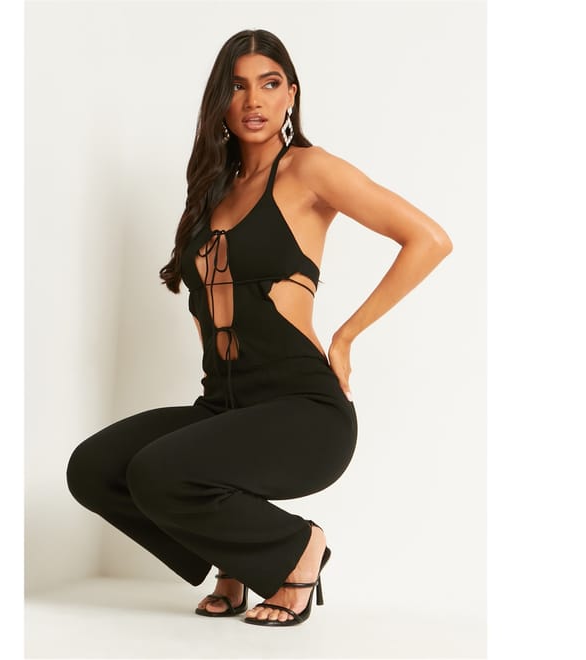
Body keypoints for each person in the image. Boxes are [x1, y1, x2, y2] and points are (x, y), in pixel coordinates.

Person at [66, 28, 452, 627]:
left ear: (291, 95)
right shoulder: (211, 190)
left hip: (304, 411)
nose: (253, 100)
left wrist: (346, 336)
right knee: (94, 468)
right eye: (238, 86)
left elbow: (428, 240)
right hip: (225, 406)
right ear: (219, 101)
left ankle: (297, 551)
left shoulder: (308, 170)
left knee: (157, 471)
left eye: (269, 84)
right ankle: (236, 557)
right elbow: (205, 305)